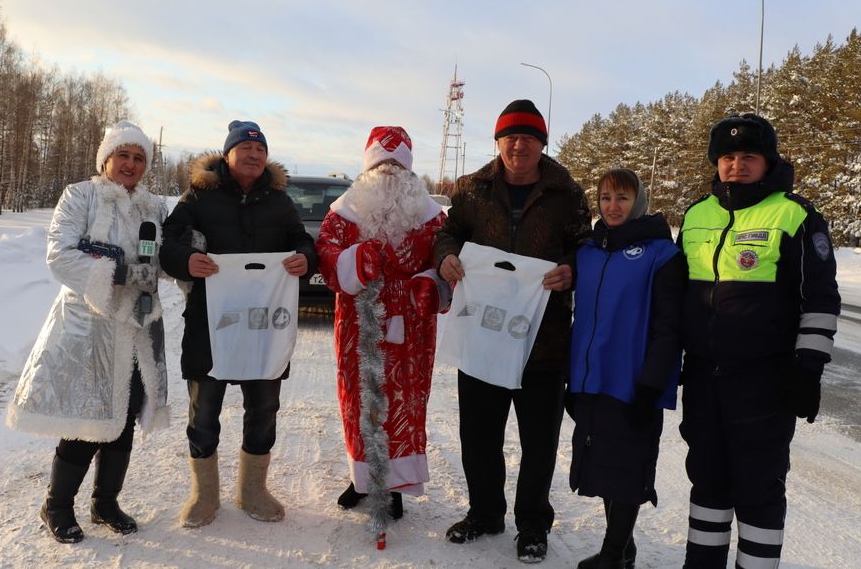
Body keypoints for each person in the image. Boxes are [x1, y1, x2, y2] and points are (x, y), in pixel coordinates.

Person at [677, 114, 840, 568]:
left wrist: (808, 369)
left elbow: (821, 299)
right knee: (707, 480)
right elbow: (674, 296)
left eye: (748, 156)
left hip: (763, 381)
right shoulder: (696, 214)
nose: (737, 165)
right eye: (728, 157)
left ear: (768, 162)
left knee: (759, 486)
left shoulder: (795, 215)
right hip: (704, 377)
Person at [434, 99, 592, 564]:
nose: (518, 144)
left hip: (541, 339)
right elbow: (449, 233)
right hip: (483, 335)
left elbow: (586, 246)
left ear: (542, 143)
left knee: (538, 441)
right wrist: (444, 256)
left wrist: (570, 269)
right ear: (498, 142)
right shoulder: (470, 189)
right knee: (478, 434)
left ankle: (532, 525)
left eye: (528, 137)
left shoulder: (566, 192)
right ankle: (485, 513)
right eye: (510, 136)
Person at [7, 121, 170, 543]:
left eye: (139, 158)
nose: (131, 164)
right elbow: (59, 255)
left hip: (137, 326)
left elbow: (164, 257)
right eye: (124, 155)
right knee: (85, 415)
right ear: (106, 159)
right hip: (88, 326)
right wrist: (114, 273)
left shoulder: (154, 207)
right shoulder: (81, 195)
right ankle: (57, 505)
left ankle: (106, 502)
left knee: (125, 413)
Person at [160, 120, 316, 528]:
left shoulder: (279, 201)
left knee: (264, 407)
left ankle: (253, 490)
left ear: (266, 158)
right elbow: (169, 243)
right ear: (227, 155)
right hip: (210, 326)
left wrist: (306, 259)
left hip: (264, 327)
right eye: (244, 149)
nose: (253, 156)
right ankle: (204, 495)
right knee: (204, 411)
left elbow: (303, 241)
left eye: (259, 150)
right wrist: (185, 261)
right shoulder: (198, 196)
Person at [315, 126, 450, 528]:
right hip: (360, 318)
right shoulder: (344, 210)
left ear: (409, 170)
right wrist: (353, 261)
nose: (389, 171)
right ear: (369, 167)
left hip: (411, 326)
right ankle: (362, 479)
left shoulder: (430, 216)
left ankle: (392, 487)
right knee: (359, 400)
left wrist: (432, 282)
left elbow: (446, 256)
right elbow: (326, 250)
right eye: (382, 164)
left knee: (403, 404)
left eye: (397, 164)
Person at [568, 169, 686, 569]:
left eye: (621, 198)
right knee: (603, 467)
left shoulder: (661, 254)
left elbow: (670, 326)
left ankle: (613, 554)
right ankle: (624, 547)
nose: (612, 206)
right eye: (604, 198)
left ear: (638, 201)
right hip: (591, 380)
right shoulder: (588, 251)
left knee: (628, 470)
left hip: (634, 384)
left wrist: (652, 383)